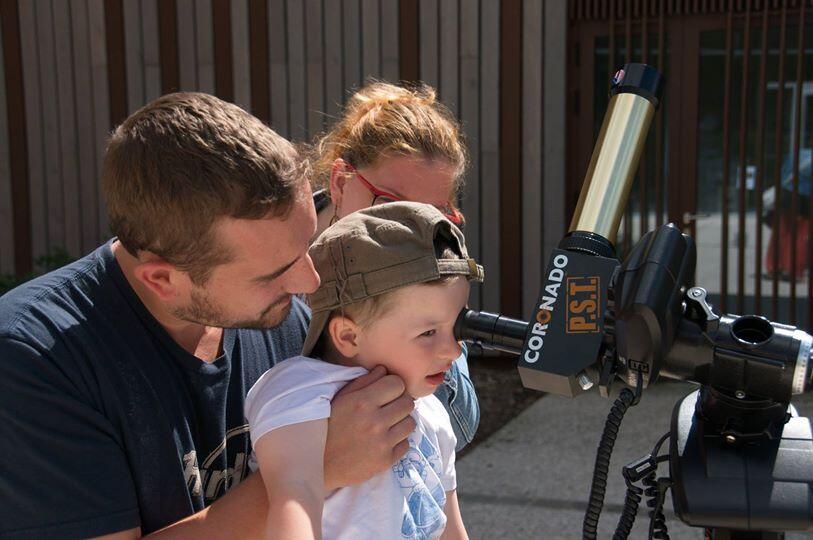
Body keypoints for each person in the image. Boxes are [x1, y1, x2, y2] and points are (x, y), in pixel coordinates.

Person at [0, 93, 418, 538]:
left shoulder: (283, 319)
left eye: (306, 246)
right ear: (162, 279)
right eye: (275, 272)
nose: (309, 283)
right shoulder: (34, 360)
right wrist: (311, 469)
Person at [247, 202, 480, 539]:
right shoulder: (302, 392)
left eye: (455, 328)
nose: (453, 350)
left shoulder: (430, 412)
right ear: (348, 335)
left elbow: (449, 529)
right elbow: (294, 498)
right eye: (428, 333)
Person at [311, 81, 479, 449]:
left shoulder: (433, 258)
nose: (410, 232)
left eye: (431, 215)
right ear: (340, 181)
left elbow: (458, 426)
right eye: (388, 205)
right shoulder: (276, 267)